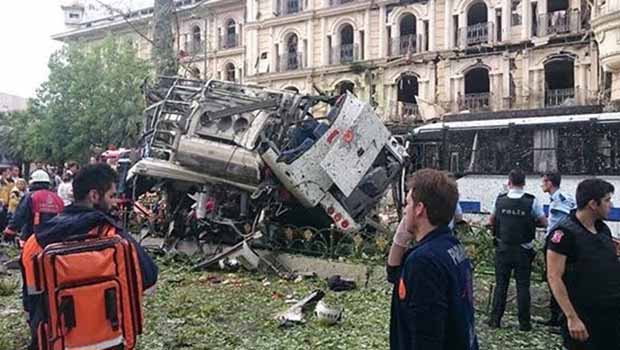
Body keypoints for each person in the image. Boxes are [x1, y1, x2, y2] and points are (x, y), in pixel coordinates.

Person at [20, 163, 158, 349]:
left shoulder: (35, 242)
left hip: (58, 342)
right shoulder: (114, 236)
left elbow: (30, 304)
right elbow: (149, 279)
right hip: (110, 341)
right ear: (94, 196)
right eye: (111, 196)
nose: (114, 202)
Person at [389, 169, 478, 350]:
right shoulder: (451, 246)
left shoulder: (424, 262)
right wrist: (401, 237)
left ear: (420, 208)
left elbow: (426, 338)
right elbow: (393, 274)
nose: (404, 211)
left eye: (407, 204)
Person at [547, 179, 620, 349]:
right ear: (593, 204)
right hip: (584, 318)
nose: (611, 205)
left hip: (611, 315)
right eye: (607, 200)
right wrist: (572, 317)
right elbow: (554, 277)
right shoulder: (564, 234)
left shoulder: (602, 229)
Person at [487, 169, 547, 331]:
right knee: (523, 286)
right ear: (524, 183)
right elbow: (543, 221)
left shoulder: (500, 200)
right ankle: (524, 323)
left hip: (503, 249)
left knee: (501, 285)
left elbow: (492, 220)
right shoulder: (531, 201)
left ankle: (495, 320)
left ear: (509, 182)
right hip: (523, 251)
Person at [541, 173, 576, 327]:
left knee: (555, 279)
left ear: (550, 183)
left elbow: (565, 221)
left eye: (544, 182)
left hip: (557, 244)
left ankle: (558, 317)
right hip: (558, 242)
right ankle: (556, 316)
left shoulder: (559, 199)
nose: (542, 185)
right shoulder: (560, 197)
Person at [2, 170, 64, 243]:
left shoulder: (31, 196)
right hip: (54, 240)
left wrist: (9, 232)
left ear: (32, 183)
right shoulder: (57, 198)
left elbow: (20, 215)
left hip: (33, 238)